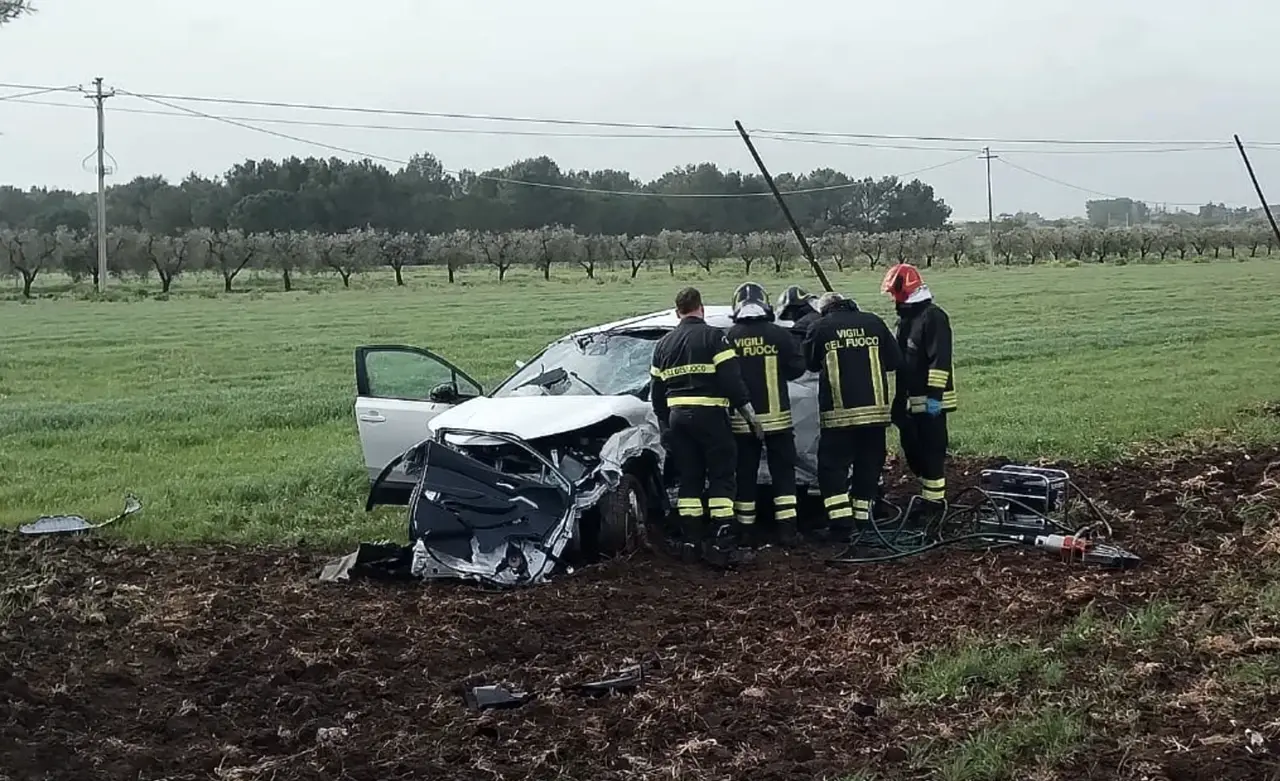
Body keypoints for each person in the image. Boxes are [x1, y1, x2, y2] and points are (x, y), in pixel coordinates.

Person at [650, 287, 764, 561]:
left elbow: (656, 393)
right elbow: (732, 382)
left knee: (690, 478)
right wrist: (751, 418)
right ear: (700, 308)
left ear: (677, 312)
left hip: (678, 418)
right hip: (711, 416)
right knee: (721, 476)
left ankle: (691, 541)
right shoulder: (715, 337)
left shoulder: (663, 345)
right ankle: (722, 542)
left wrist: (665, 427)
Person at [803, 291, 901, 542]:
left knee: (832, 470)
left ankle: (841, 526)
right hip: (875, 415)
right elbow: (895, 360)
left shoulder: (819, 328)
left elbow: (810, 364)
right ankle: (863, 521)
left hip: (839, 417)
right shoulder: (874, 322)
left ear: (824, 309)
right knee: (868, 467)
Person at [725, 282, 807, 547]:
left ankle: (745, 531)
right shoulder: (779, 335)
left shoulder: (729, 337)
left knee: (744, 474)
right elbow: (797, 368)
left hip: (742, 422)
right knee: (783, 473)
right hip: (778, 420)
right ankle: (787, 530)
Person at [881, 263, 956, 517]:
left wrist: (935, 396)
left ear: (907, 289)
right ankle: (927, 493)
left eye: (895, 292)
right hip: (910, 399)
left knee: (931, 451)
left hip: (931, 400)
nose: (893, 297)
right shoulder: (906, 319)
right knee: (912, 447)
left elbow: (940, 359)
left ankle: (934, 504)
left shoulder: (933, 317)